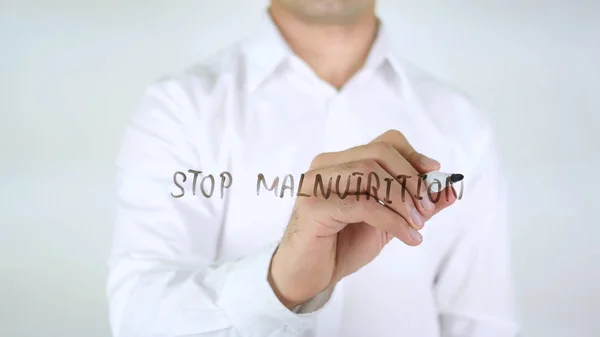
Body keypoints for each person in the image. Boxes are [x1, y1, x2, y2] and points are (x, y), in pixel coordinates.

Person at [107, 0, 518, 336]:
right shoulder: (179, 109)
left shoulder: (463, 123)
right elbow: (138, 317)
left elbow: (481, 323)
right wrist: (282, 282)